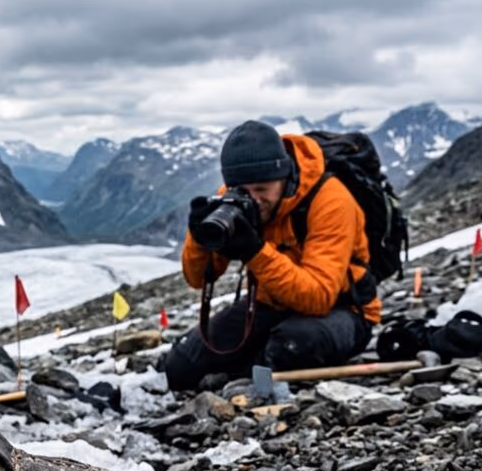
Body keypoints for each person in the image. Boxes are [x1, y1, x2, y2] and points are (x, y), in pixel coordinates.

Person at [156, 120, 381, 391]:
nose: (254, 199)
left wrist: (255, 251)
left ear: (285, 178)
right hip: (270, 303)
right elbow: (197, 279)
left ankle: (249, 374)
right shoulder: (234, 198)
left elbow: (319, 297)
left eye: (262, 190)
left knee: (292, 345)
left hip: (343, 308)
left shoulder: (331, 201)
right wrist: (199, 239)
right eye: (244, 190)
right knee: (181, 367)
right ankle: (250, 367)